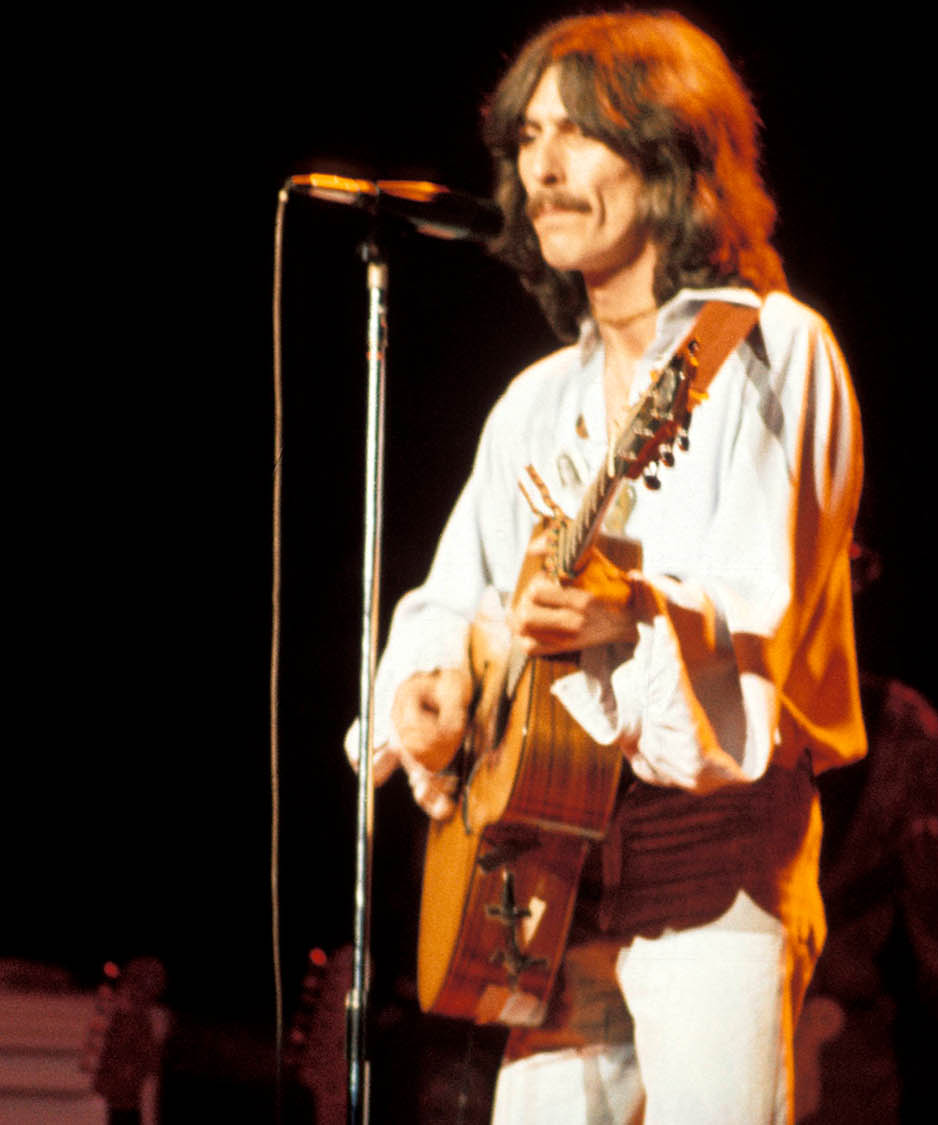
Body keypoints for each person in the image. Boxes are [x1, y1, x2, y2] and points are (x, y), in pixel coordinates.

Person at [345, 11, 865, 1122]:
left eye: (582, 133)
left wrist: (625, 621)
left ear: (676, 155)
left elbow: (756, 626)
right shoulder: (536, 404)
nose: (542, 166)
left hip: (711, 866)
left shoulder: (773, 354)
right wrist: (430, 693)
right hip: (542, 880)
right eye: (529, 136)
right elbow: (450, 602)